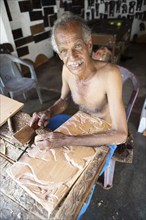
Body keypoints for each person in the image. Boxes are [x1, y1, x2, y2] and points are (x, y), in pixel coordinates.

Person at [30, 12, 128, 153]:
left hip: (105, 134)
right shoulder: (66, 69)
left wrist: (67, 140)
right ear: (59, 54)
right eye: (64, 51)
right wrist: (49, 112)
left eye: (77, 46)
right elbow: (64, 100)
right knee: (39, 136)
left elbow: (121, 134)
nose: (72, 57)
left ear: (89, 45)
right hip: (80, 124)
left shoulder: (110, 74)